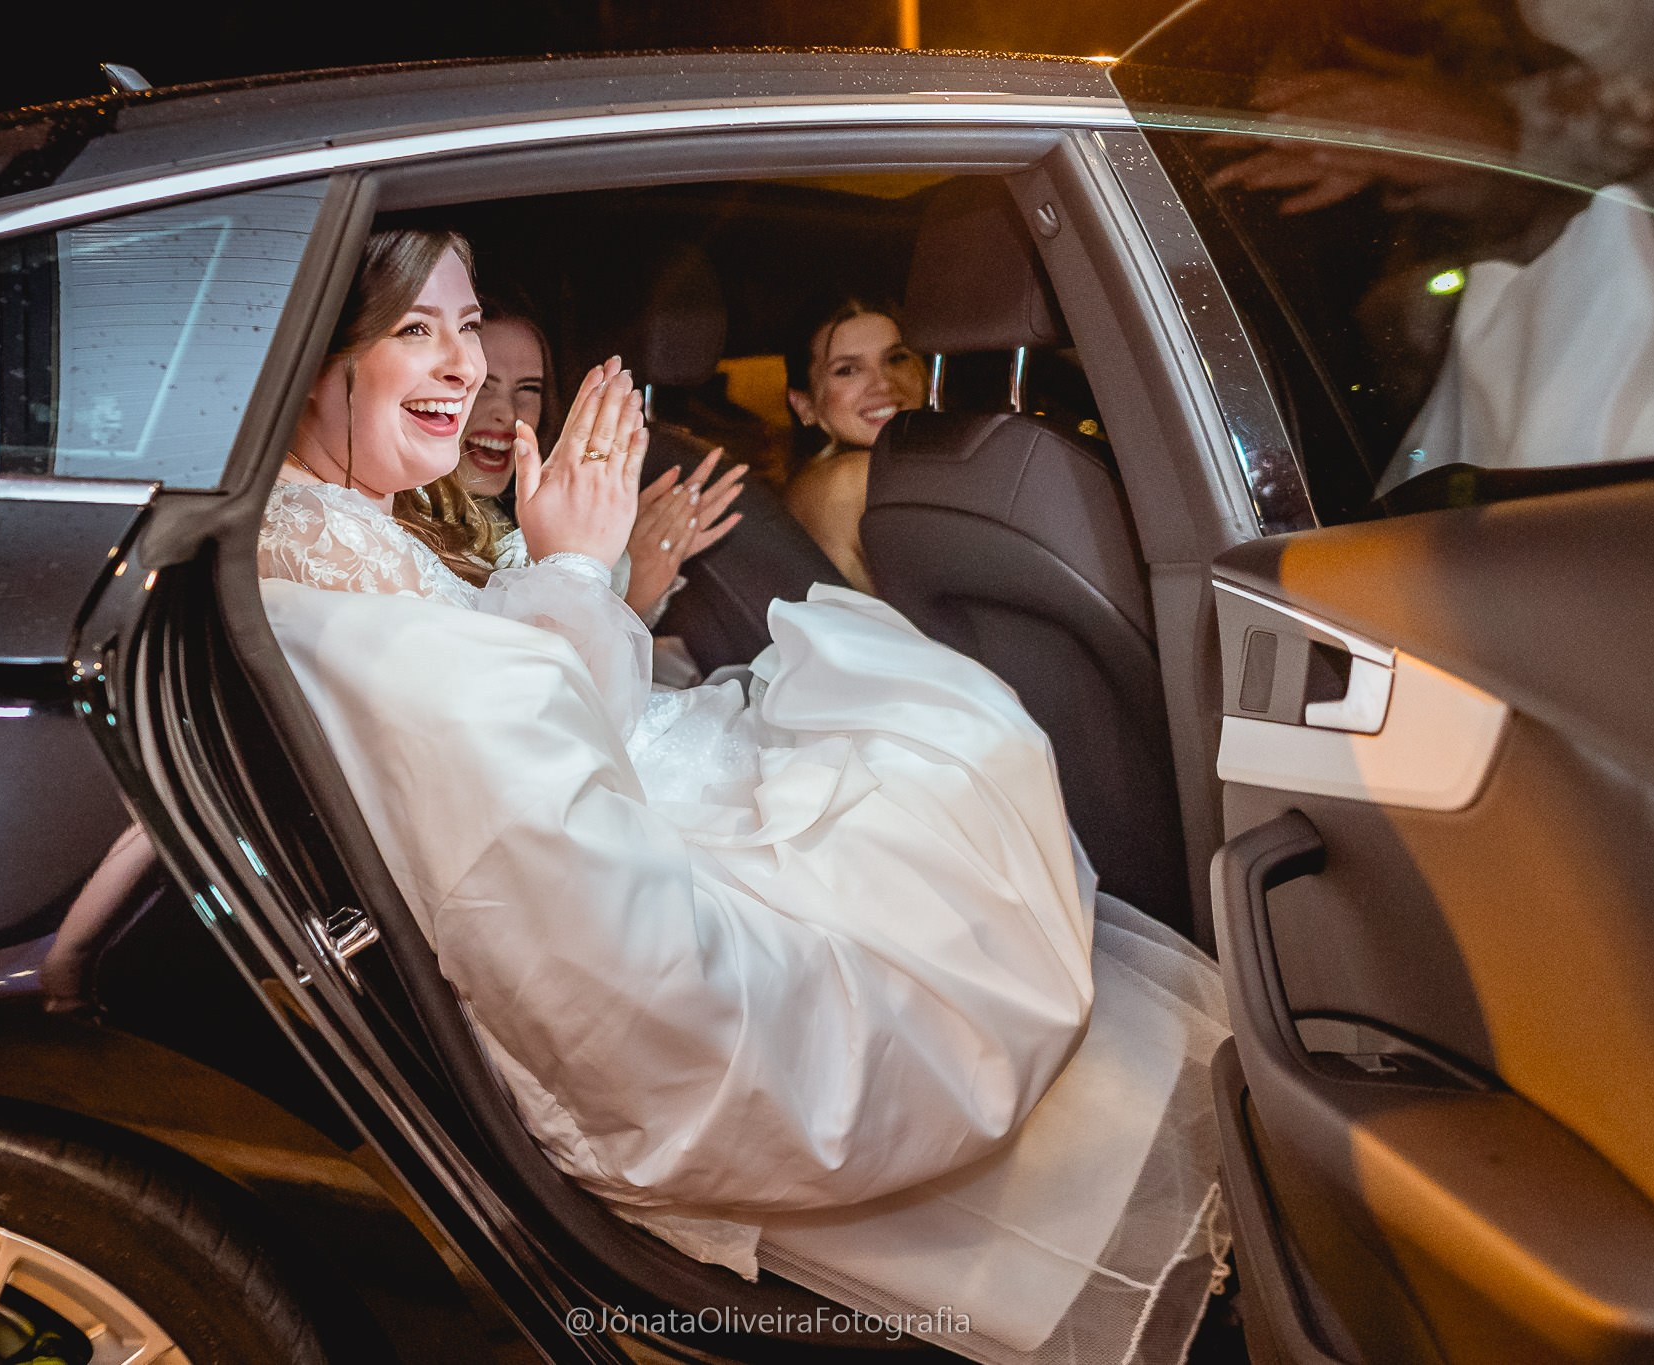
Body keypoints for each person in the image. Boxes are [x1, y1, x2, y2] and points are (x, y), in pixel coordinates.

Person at [256, 229, 1228, 1364]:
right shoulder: (315, 555)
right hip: (589, 904)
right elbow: (517, 791)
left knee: (946, 770)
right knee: (939, 799)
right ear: (314, 357)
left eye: (467, 330)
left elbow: (517, 717)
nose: (464, 370)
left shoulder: (339, 527)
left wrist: (576, 572)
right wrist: (572, 570)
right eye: (416, 332)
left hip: (589, 817)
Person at [454, 294, 748, 626]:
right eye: (483, 387)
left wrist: (626, 559)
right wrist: (627, 593)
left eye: (529, 389)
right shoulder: (410, 538)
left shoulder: (505, 518)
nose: (507, 414)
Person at [782, 300, 928, 594]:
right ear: (805, 405)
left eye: (897, 358)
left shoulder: (815, 478)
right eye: (848, 370)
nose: (884, 384)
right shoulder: (858, 479)